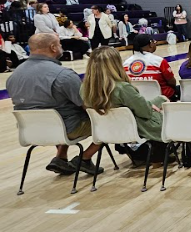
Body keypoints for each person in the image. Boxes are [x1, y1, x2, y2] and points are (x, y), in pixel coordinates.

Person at [7, 34, 102, 175]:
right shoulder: (64, 75)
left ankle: (60, 158)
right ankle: (85, 158)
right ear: (53, 47)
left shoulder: (13, 77)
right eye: (60, 44)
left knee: (59, 112)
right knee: (105, 121)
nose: (61, 47)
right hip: (66, 128)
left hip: (30, 129)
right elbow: (87, 105)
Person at [83, 46, 167, 165]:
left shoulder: (84, 89)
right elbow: (144, 112)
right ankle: (159, 153)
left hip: (108, 129)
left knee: (155, 104)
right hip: (135, 128)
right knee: (162, 100)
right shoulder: (122, 88)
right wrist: (153, 103)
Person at [124, 34, 178, 99]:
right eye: (154, 42)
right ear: (151, 44)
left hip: (137, 100)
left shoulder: (125, 64)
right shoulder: (159, 61)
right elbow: (172, 82)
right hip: (162, 99)